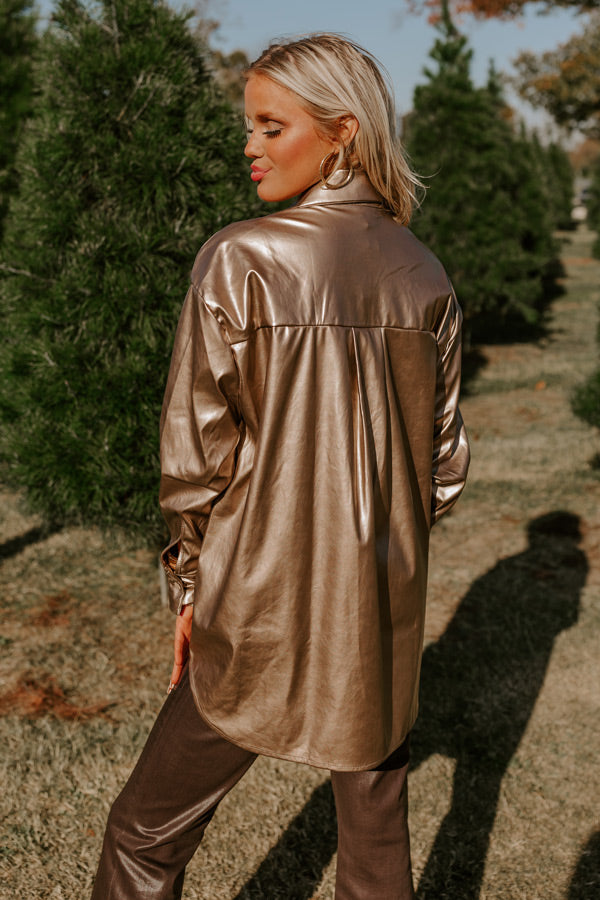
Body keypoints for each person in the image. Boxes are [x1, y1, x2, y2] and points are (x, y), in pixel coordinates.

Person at [91, 33, 469, 900]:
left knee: (144, 834)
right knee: (376, 863)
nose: (249, 146)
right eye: (250, 126)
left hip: (254, 604)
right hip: (378, 614)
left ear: (342, 131)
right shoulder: (425, 275)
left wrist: (190, 584)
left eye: (271, 126)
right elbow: (443, 470)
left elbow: (195, 459)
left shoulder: (243, 259)